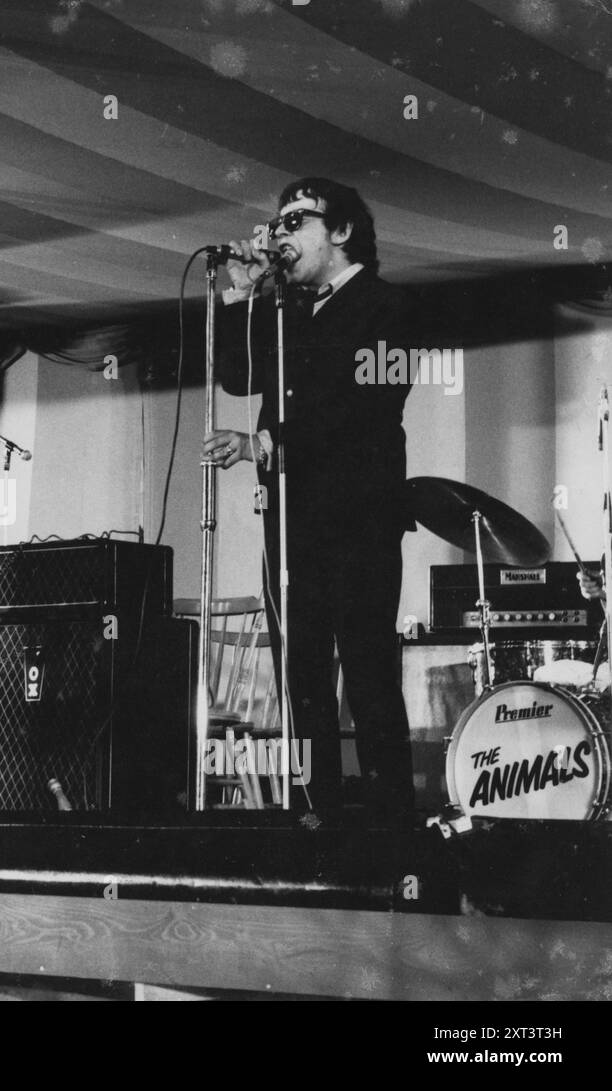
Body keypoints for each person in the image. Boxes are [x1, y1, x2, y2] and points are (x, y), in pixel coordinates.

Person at [203, 177, 417, 820]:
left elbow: (368, 409)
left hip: (359, 517)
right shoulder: (285, 313)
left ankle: (389, 824)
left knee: (368, 668)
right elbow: (240, 377)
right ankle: (313, 811)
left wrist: (266, 443)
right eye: (277, 224)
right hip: (291, 516)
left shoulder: (388, 306)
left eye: (296, 221)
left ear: (343, 231)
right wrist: (240, 295)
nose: (280, 235)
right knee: (301, 673)